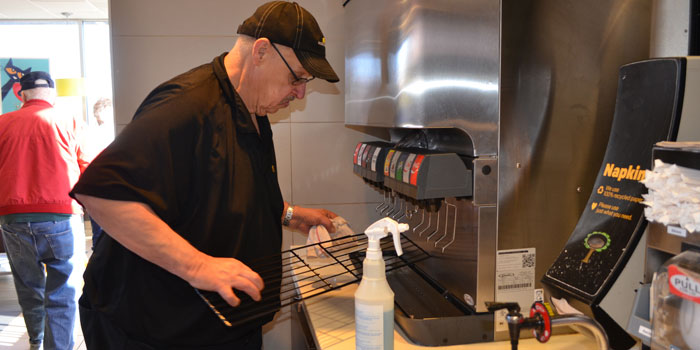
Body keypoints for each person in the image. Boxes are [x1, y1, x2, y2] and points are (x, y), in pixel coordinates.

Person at [70, 2, 340, 349]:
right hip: (155, 331)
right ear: (261, 51)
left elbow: (224, 191)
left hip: (220, 324)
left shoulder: (252, 110)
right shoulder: (186, 106)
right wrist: (198, 266)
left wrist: (288, 214)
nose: (300, 92)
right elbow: (103, 196)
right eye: (297, 77)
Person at [0, 71, 89, 350]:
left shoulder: (2, 123)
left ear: (21, 95)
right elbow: (90, 169)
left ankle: (36, 341)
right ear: (52, 94)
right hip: (60, 216)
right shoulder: (71, 121)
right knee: (62, 289)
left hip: (13, 218)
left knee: (28, 285)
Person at [85, 97, 115, 250]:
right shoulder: (120, 133)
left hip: (97, 191)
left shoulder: (90, 135)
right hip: (112, 191)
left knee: (99, 237)